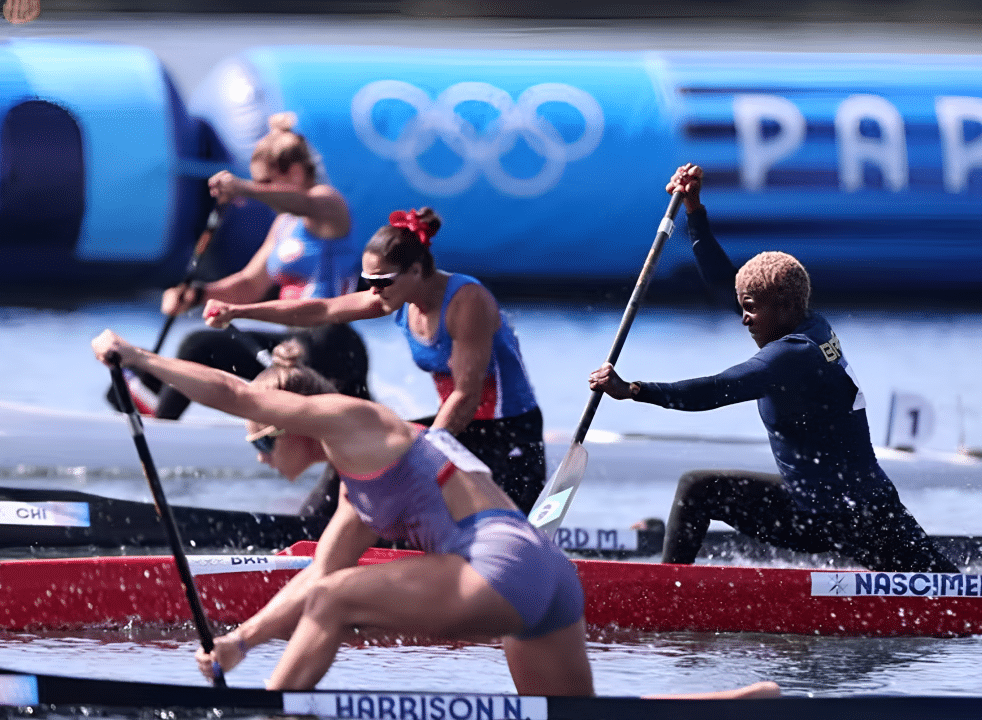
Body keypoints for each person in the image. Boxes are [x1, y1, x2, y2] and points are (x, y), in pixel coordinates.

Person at [88, 329, 778, 700]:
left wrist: (139, 356)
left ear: (294, 418)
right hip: (546, 573)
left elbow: (240, 394)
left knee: (335, 596)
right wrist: (240, 642)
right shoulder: (363, 491)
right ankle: (740, 705)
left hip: (499, 562)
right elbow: (309, 584)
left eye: (266, 439)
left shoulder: (351, 419)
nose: (262, 452)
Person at [588, 163, 958, 573]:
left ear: (781, 306)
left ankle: (663, 596)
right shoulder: (806, 321)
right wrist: (694, 211)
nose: (743, 319)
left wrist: (635, 389)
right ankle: (672, 586)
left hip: (847, 516)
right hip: (831, 504)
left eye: (750, 310)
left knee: (954, 596)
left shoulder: (793, 355)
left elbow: (717, 389)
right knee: (700, 489)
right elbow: (721, 284)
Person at [201, 208, 546, 515]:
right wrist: (240, 311)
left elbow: (466, 395)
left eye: (381, 282)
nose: (374, 292)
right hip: (460, 430)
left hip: (509, 435)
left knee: (395, 460)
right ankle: (309, 530)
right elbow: (321, 310)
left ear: (415, 271)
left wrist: (422, 457)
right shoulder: (394, 296)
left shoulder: (467, 302)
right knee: (357, 448)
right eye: (369, 282)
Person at [151, 111, 371, 423]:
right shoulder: (284, 224)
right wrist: (196, 294)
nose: (260, 191)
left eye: (265, 182)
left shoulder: (327, 204)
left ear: (294, 174)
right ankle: (159, 420)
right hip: (296, 344)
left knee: (197, 346)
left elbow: (302, 203)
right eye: (257, 183)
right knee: (198, 345)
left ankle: (159, 430)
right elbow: (249, 286)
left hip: (331, 344)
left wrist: (243, 188)